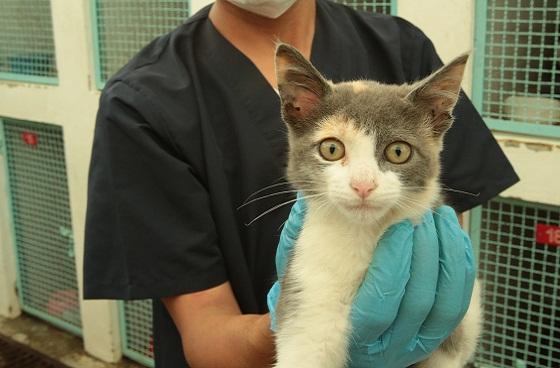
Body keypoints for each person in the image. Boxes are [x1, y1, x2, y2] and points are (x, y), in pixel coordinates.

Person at [83, 1, 519, 367]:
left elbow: (449, 246)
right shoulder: (141, 101)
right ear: (294, 107)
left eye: (397, 153)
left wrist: (441, 318)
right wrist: (294, 323)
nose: (363, 182)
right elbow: (206, 340)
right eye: (333, 150)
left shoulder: (400, 47)